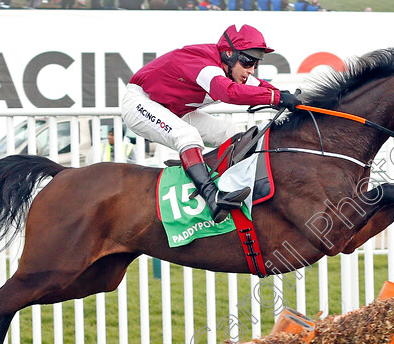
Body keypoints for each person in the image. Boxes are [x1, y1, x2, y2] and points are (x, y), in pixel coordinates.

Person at [122, 25, 299, 223]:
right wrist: (275, 98)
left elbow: (265, 89)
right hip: (141, 102)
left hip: (176, 110)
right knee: (187, 136)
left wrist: (291, 100)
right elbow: (228, 93)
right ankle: (211, 196)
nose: (251, 70)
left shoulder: (231, 68)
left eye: (255, 63)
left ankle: (217, 179)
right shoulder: (205, 65)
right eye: (248, 61)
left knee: (233, 134)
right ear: (229, 53)